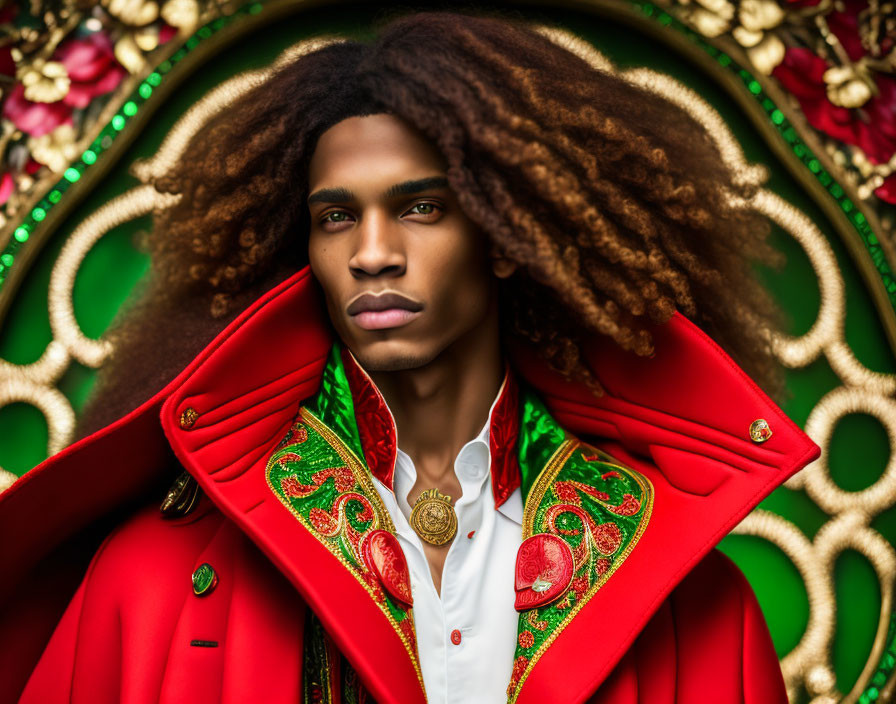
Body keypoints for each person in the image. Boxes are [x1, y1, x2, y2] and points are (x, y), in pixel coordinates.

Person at [0, 9, 820, 703]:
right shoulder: (157, 577)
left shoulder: (688, 602)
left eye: (421, 207)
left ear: (505, 238)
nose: (373, 253)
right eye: (335, 218)